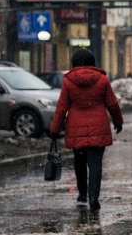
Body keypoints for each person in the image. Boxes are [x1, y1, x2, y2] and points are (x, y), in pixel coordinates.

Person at [49, 48, 123, 212]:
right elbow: (112, 103)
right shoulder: (102, 79)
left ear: (74, 63)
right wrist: (118, 121)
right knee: (95, 164)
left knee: (79, 163)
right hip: (99, 126)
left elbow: (62, 107)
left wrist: (54, 129)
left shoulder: (68, 81)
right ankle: (93, 197)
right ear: (92, 63)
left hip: (76, 128)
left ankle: (82, 194)